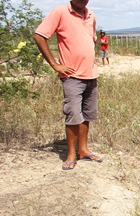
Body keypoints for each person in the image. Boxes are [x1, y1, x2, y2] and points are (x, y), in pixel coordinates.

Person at [33, 0, 103, 170]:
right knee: (73, 114)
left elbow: (90, 41)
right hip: (72, 75)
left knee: (87, 114)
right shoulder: (60, 12)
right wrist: (54, 64)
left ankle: (83, 150)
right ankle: (71, 154)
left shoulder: (91, 15)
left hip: (90, 74)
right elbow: (39, 35)